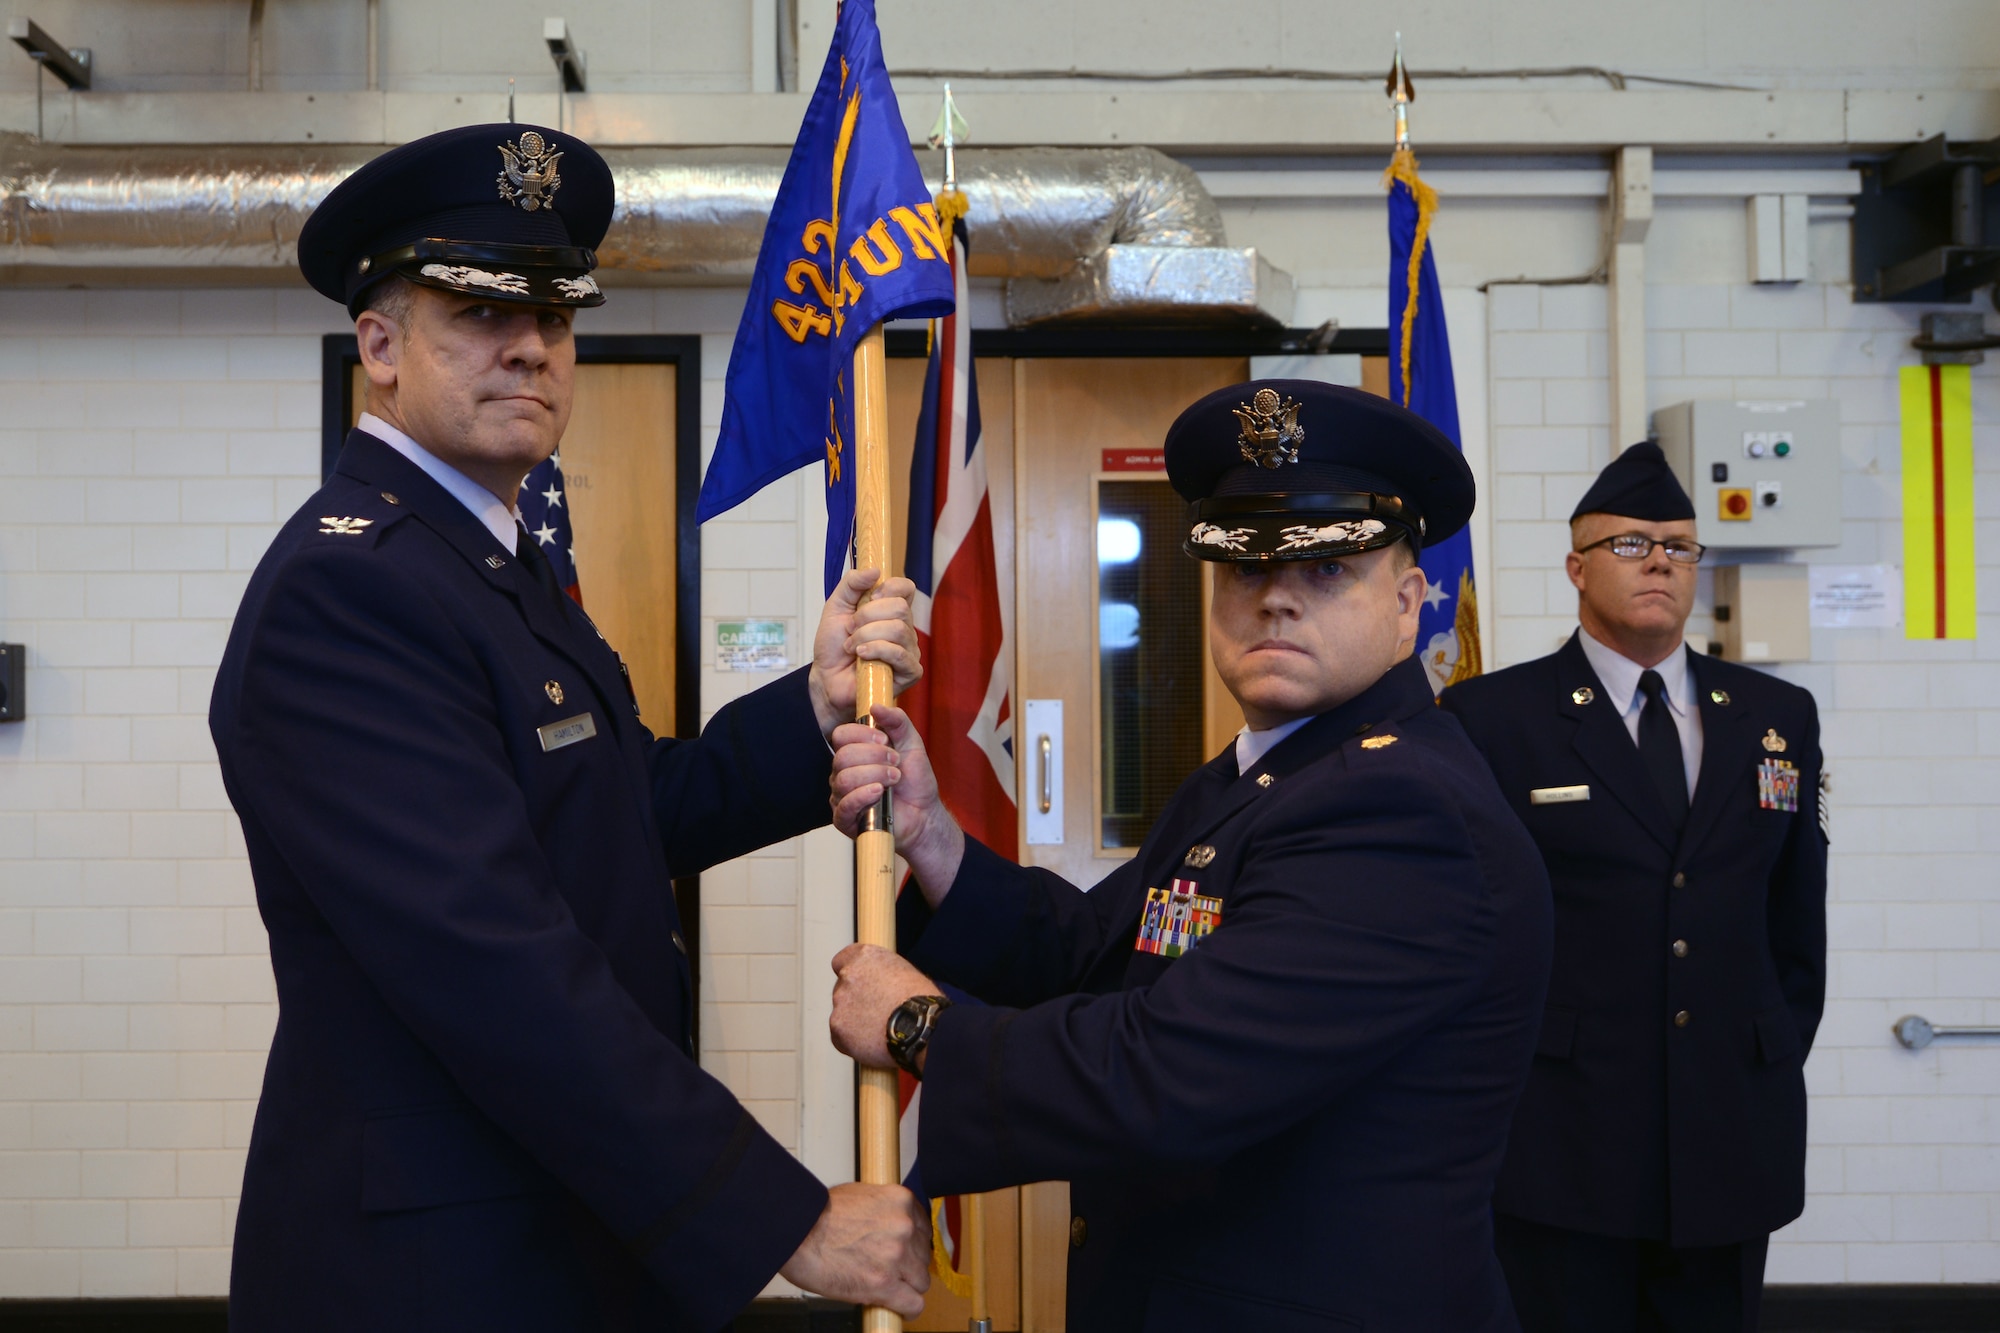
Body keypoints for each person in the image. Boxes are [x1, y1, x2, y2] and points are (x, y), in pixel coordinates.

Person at [209, 124, 930, 1331]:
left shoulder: (487, 564)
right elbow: (493, 961)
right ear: (379, 347)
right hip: (443, 1269)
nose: (531, 347)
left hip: (549, 1221)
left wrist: (811, 711)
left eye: (554, 317)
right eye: (481, 315)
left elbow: (615, 810)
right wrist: (784, 1215)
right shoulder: (353, 589)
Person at [824, 381, 1554, 1332]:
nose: (1277, 595)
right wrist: (932, 835)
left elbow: (1167, 1073)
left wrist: (921, 1027)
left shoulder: (1400, 807)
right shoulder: (1262, 778)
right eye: (1243, 565)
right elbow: (1099, 951)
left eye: (1327, 569)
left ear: (1409, 604)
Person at [1438, 442, 1828, 1333]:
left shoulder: (1774, 716)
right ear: (1576, 567)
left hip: (1730, 1124)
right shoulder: (1493, 719)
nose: (1659, 560)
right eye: (1631, 543)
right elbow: (1471, 929)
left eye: (1680, 545)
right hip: (1563, 1134)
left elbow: (1795, 919)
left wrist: (1764, 1048)